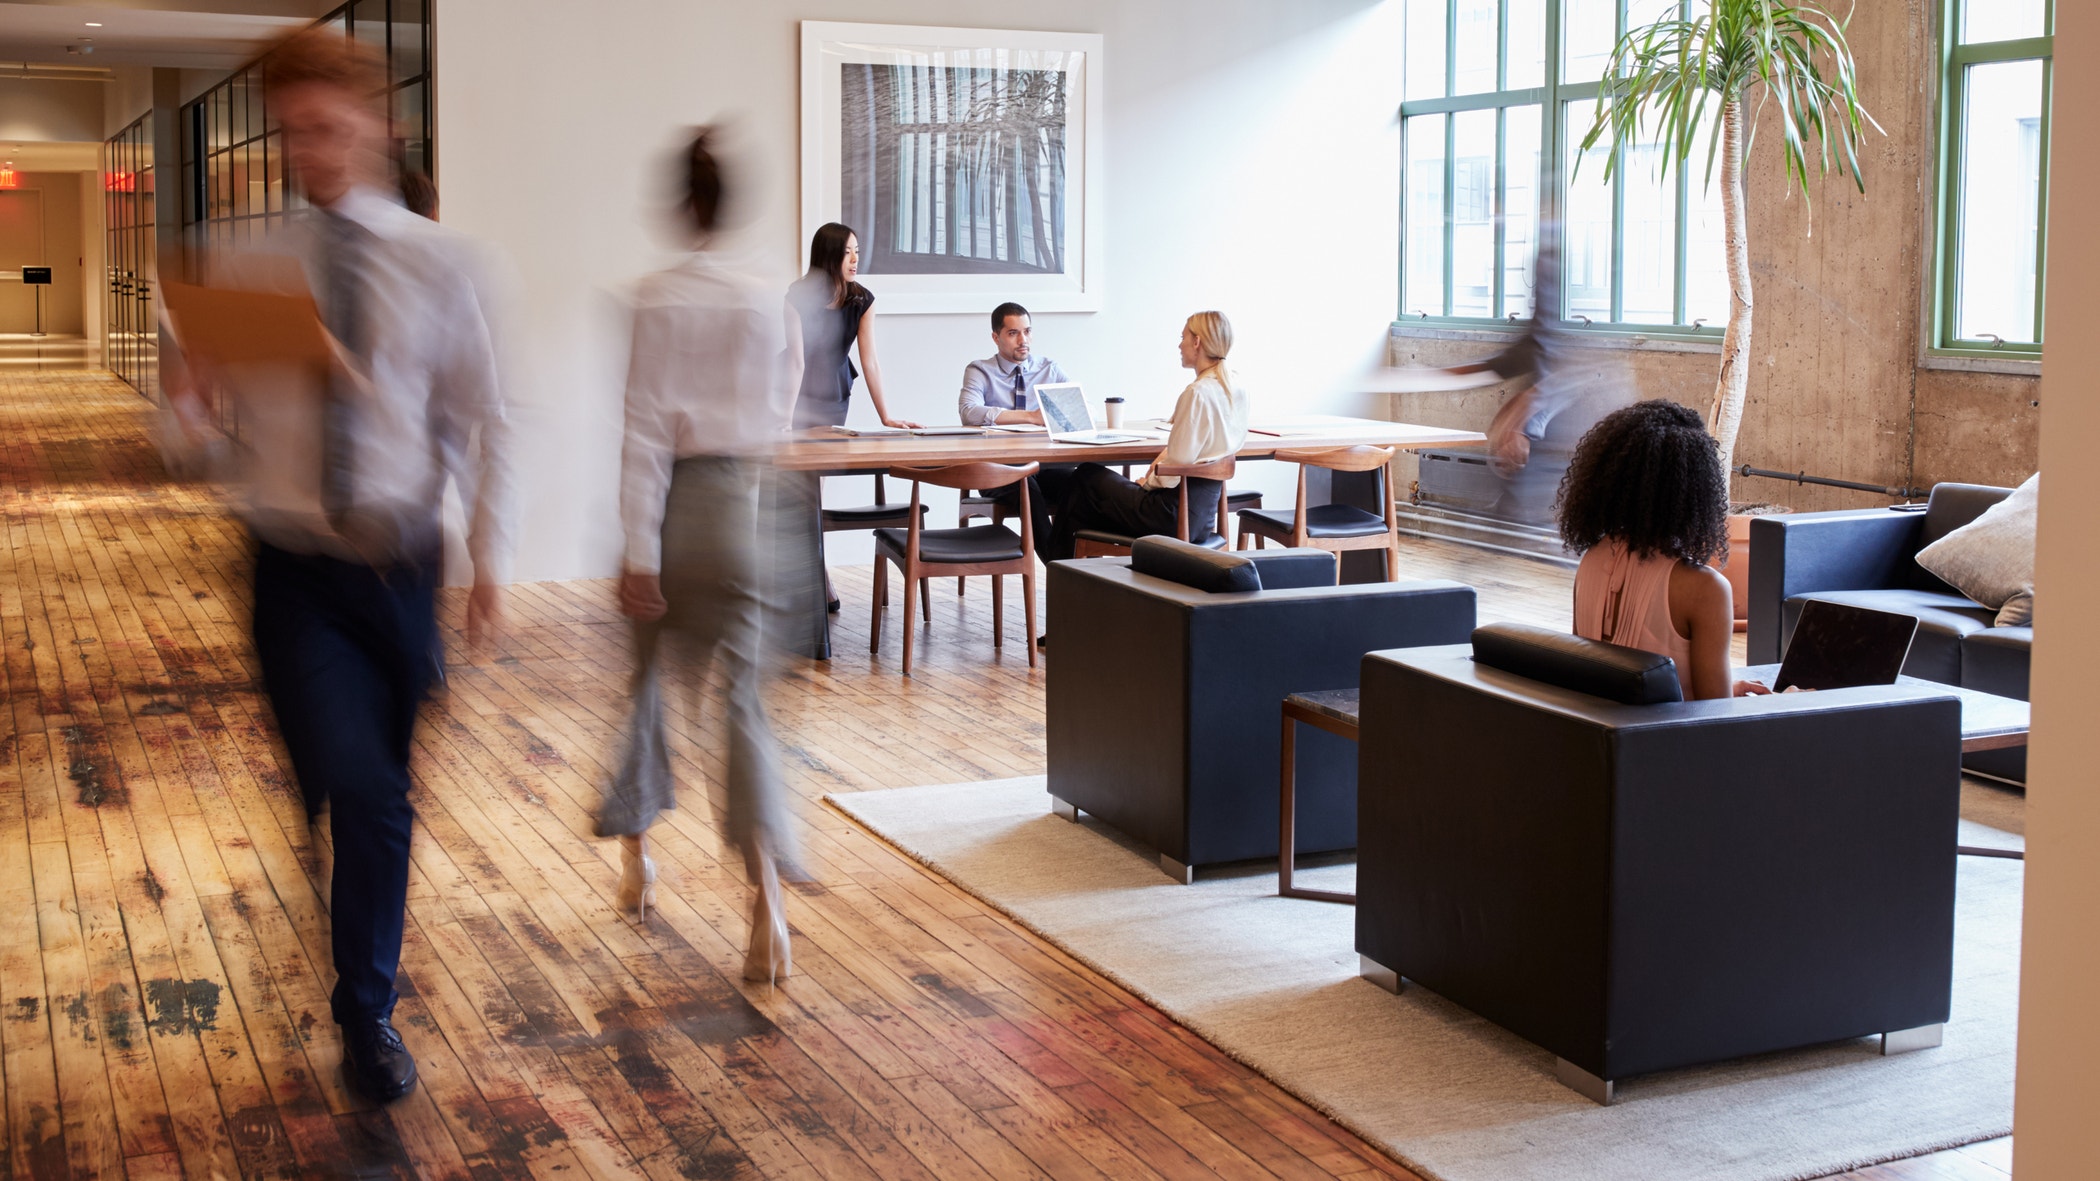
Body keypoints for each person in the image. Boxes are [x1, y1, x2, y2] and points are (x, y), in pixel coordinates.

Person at [159, 30, 514, 1104]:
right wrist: (182, 399)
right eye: (293, 128)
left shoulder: (445, 261)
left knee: (372, 791)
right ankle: (368, 1011)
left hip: (401, 567)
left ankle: (359, 941)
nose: (309, 148)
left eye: (329, 125)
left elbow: (481, 419)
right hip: (294, 565)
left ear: (374, 125)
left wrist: (490, 557)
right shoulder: (243, 254)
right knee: (362, 786)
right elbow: (190, 445)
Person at [608, 128, 800, 985]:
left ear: (683, 205)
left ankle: (637, 861)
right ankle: (767, 907)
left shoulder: (655, 297)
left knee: (647, 686)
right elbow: (781, 410)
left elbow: (645, 430)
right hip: (750, 510)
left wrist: (636, 548)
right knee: (744, 707)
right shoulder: (769, 301)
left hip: (682, 508)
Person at [1558, 400, 1768, 700]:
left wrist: (1730, 689)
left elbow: (1606, 682)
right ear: (1698, 492)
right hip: (1671, 744)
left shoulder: (1592, 560)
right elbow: (1717, 716)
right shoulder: (1704, 589)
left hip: (1604, 740)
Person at [1046, 311, 1248, 569]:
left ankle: (1055, 562)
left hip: (1170, 517)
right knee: (1087, 501)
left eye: (1183, 337)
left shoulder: (1197, 393)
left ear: (1197, 342)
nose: (1179, 344)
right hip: (1202, 518)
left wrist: (1147, 482)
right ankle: (1071, 569)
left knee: (1085, 476)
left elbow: (1176, 464)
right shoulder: (1235, 387)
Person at [960, 301, 1075, 554]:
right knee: (1025, 484)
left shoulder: (1048, 369)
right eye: (1013, 333)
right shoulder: (980, 370)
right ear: (996, 337)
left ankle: (1085, 564)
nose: (1023, 340)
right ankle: (1060, 565)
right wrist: (1030, 417)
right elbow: (969, 412)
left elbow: (1080, 408)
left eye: (1027, 331)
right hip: (997, 469)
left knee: (1084, 480)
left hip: (1044, 465)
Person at [786, 222, 916, 429]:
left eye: (857, 251)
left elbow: (870, 362)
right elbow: (795, 362)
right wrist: (785, 419)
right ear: (828, 256)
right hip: (793, 391)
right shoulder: (797, 297)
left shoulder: (862, 300)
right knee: (792, 455)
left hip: (834, 391)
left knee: (828, 456)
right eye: (847, 253)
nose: (855, 259)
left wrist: (886, 417)